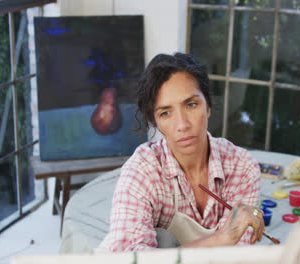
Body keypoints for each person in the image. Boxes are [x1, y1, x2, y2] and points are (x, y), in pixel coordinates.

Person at [98, 52, 264, 251]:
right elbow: (128, 259)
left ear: (208, 107)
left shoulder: (241, 167)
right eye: (165, 113)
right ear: (156, 122)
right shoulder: (142, 171)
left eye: (191, 104)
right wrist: (221, 239)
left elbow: (236, 257)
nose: (182, 125)